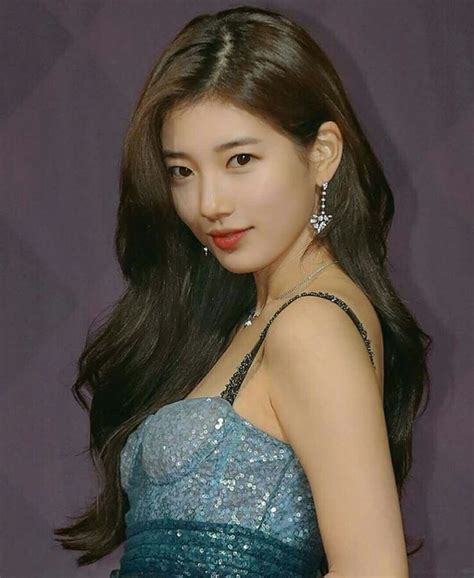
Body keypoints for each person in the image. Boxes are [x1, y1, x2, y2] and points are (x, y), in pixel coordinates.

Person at [54, 5, 432, 577]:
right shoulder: (258, 314)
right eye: (182, 171)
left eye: (240, 159)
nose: (209, 203)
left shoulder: (311, 325)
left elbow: (373, 569)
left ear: (322, 154)